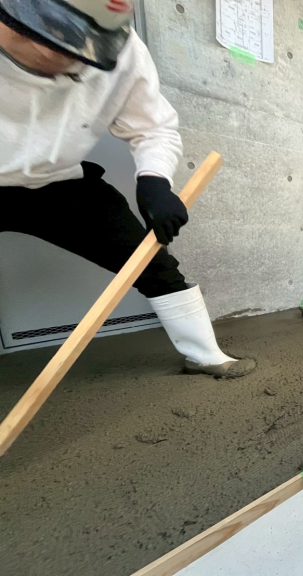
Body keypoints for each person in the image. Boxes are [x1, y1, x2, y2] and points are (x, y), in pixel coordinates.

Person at [0, 0, 255, 378]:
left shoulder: (121, 48)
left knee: (151, 262)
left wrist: (154, 179)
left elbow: (153, 127)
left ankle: (204, 354)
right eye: (64, 46)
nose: (75, 62)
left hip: (62, 184)